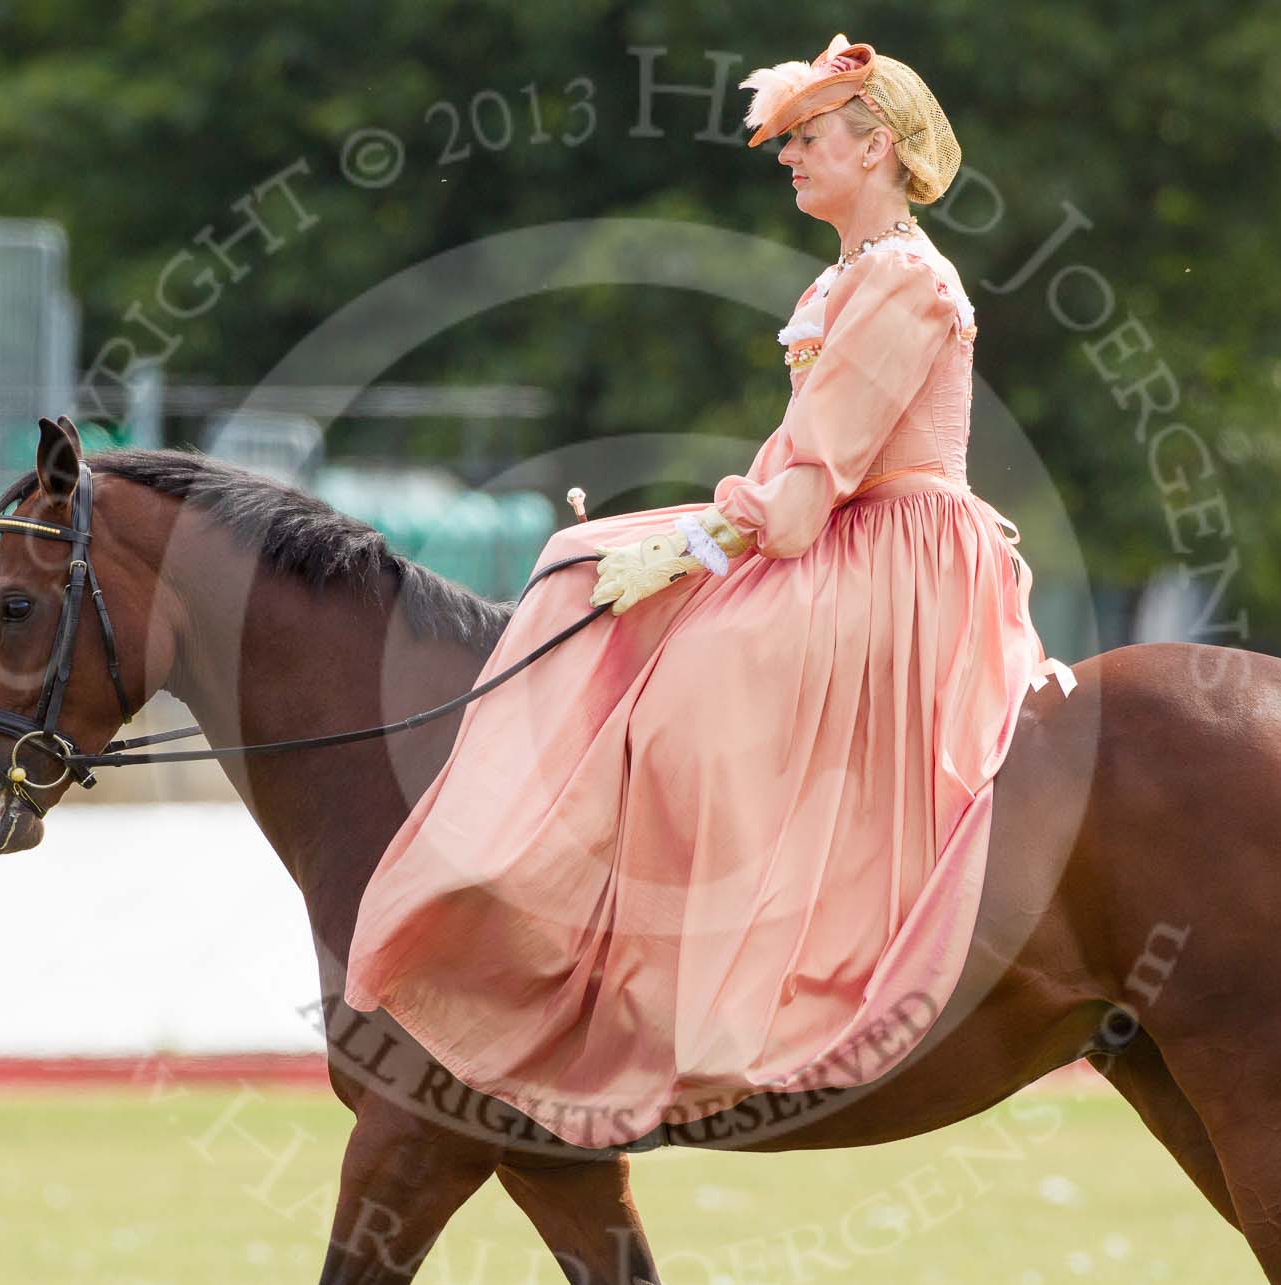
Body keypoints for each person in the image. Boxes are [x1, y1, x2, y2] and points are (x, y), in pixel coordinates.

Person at [343, 34, 1064, 1151]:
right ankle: (570, 933)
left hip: (894, 554)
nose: (789, 158)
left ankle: (727, 992)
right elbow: (793, 464)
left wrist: (702, 538)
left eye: (808, 139)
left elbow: (806, 486)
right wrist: (685, 536)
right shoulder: (846, 277)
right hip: (837, 530)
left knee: (704, 691)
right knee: (573, 573)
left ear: (874, 147)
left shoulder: (908, 280)